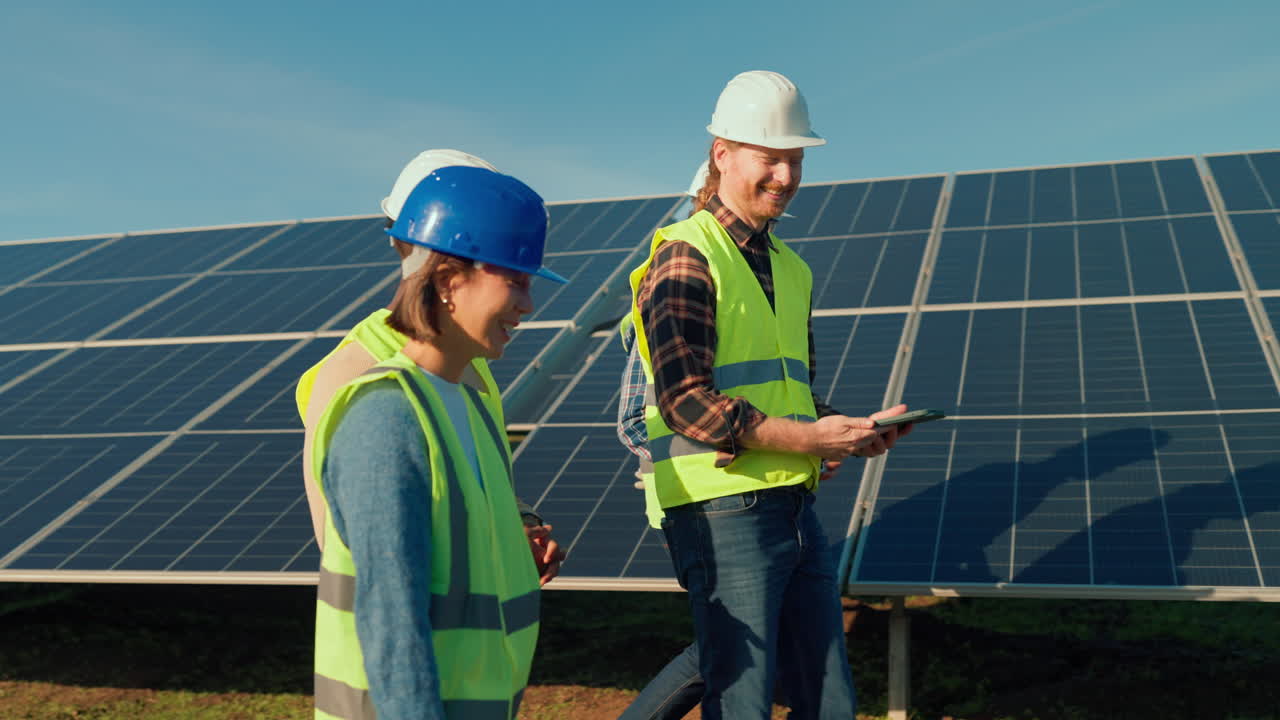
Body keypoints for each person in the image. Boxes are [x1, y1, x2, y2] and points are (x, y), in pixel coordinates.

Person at [626, 70, 914, 720]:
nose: (785, 176)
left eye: (796, 159)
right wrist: (808, 438)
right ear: (723, 154)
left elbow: (793, 395)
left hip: (794, 505)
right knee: (741, 702)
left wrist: (848, 430)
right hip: (722, 509)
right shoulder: (686, 256)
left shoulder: (792, 267)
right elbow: (685, 402)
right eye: (770, 158)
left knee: (829, 701)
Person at [309, 165, 568, 719]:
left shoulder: (469, 407)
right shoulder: (385, 416)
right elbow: (392, 626)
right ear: (449, 281)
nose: (528, 305)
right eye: (516, 281)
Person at [296, 149, 563, 586]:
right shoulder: (357, 375)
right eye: (512, 279)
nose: (529, 305)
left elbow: (471, 488)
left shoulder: (469, 366)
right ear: (447, 272)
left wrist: (519, 526)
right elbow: (355, 554)